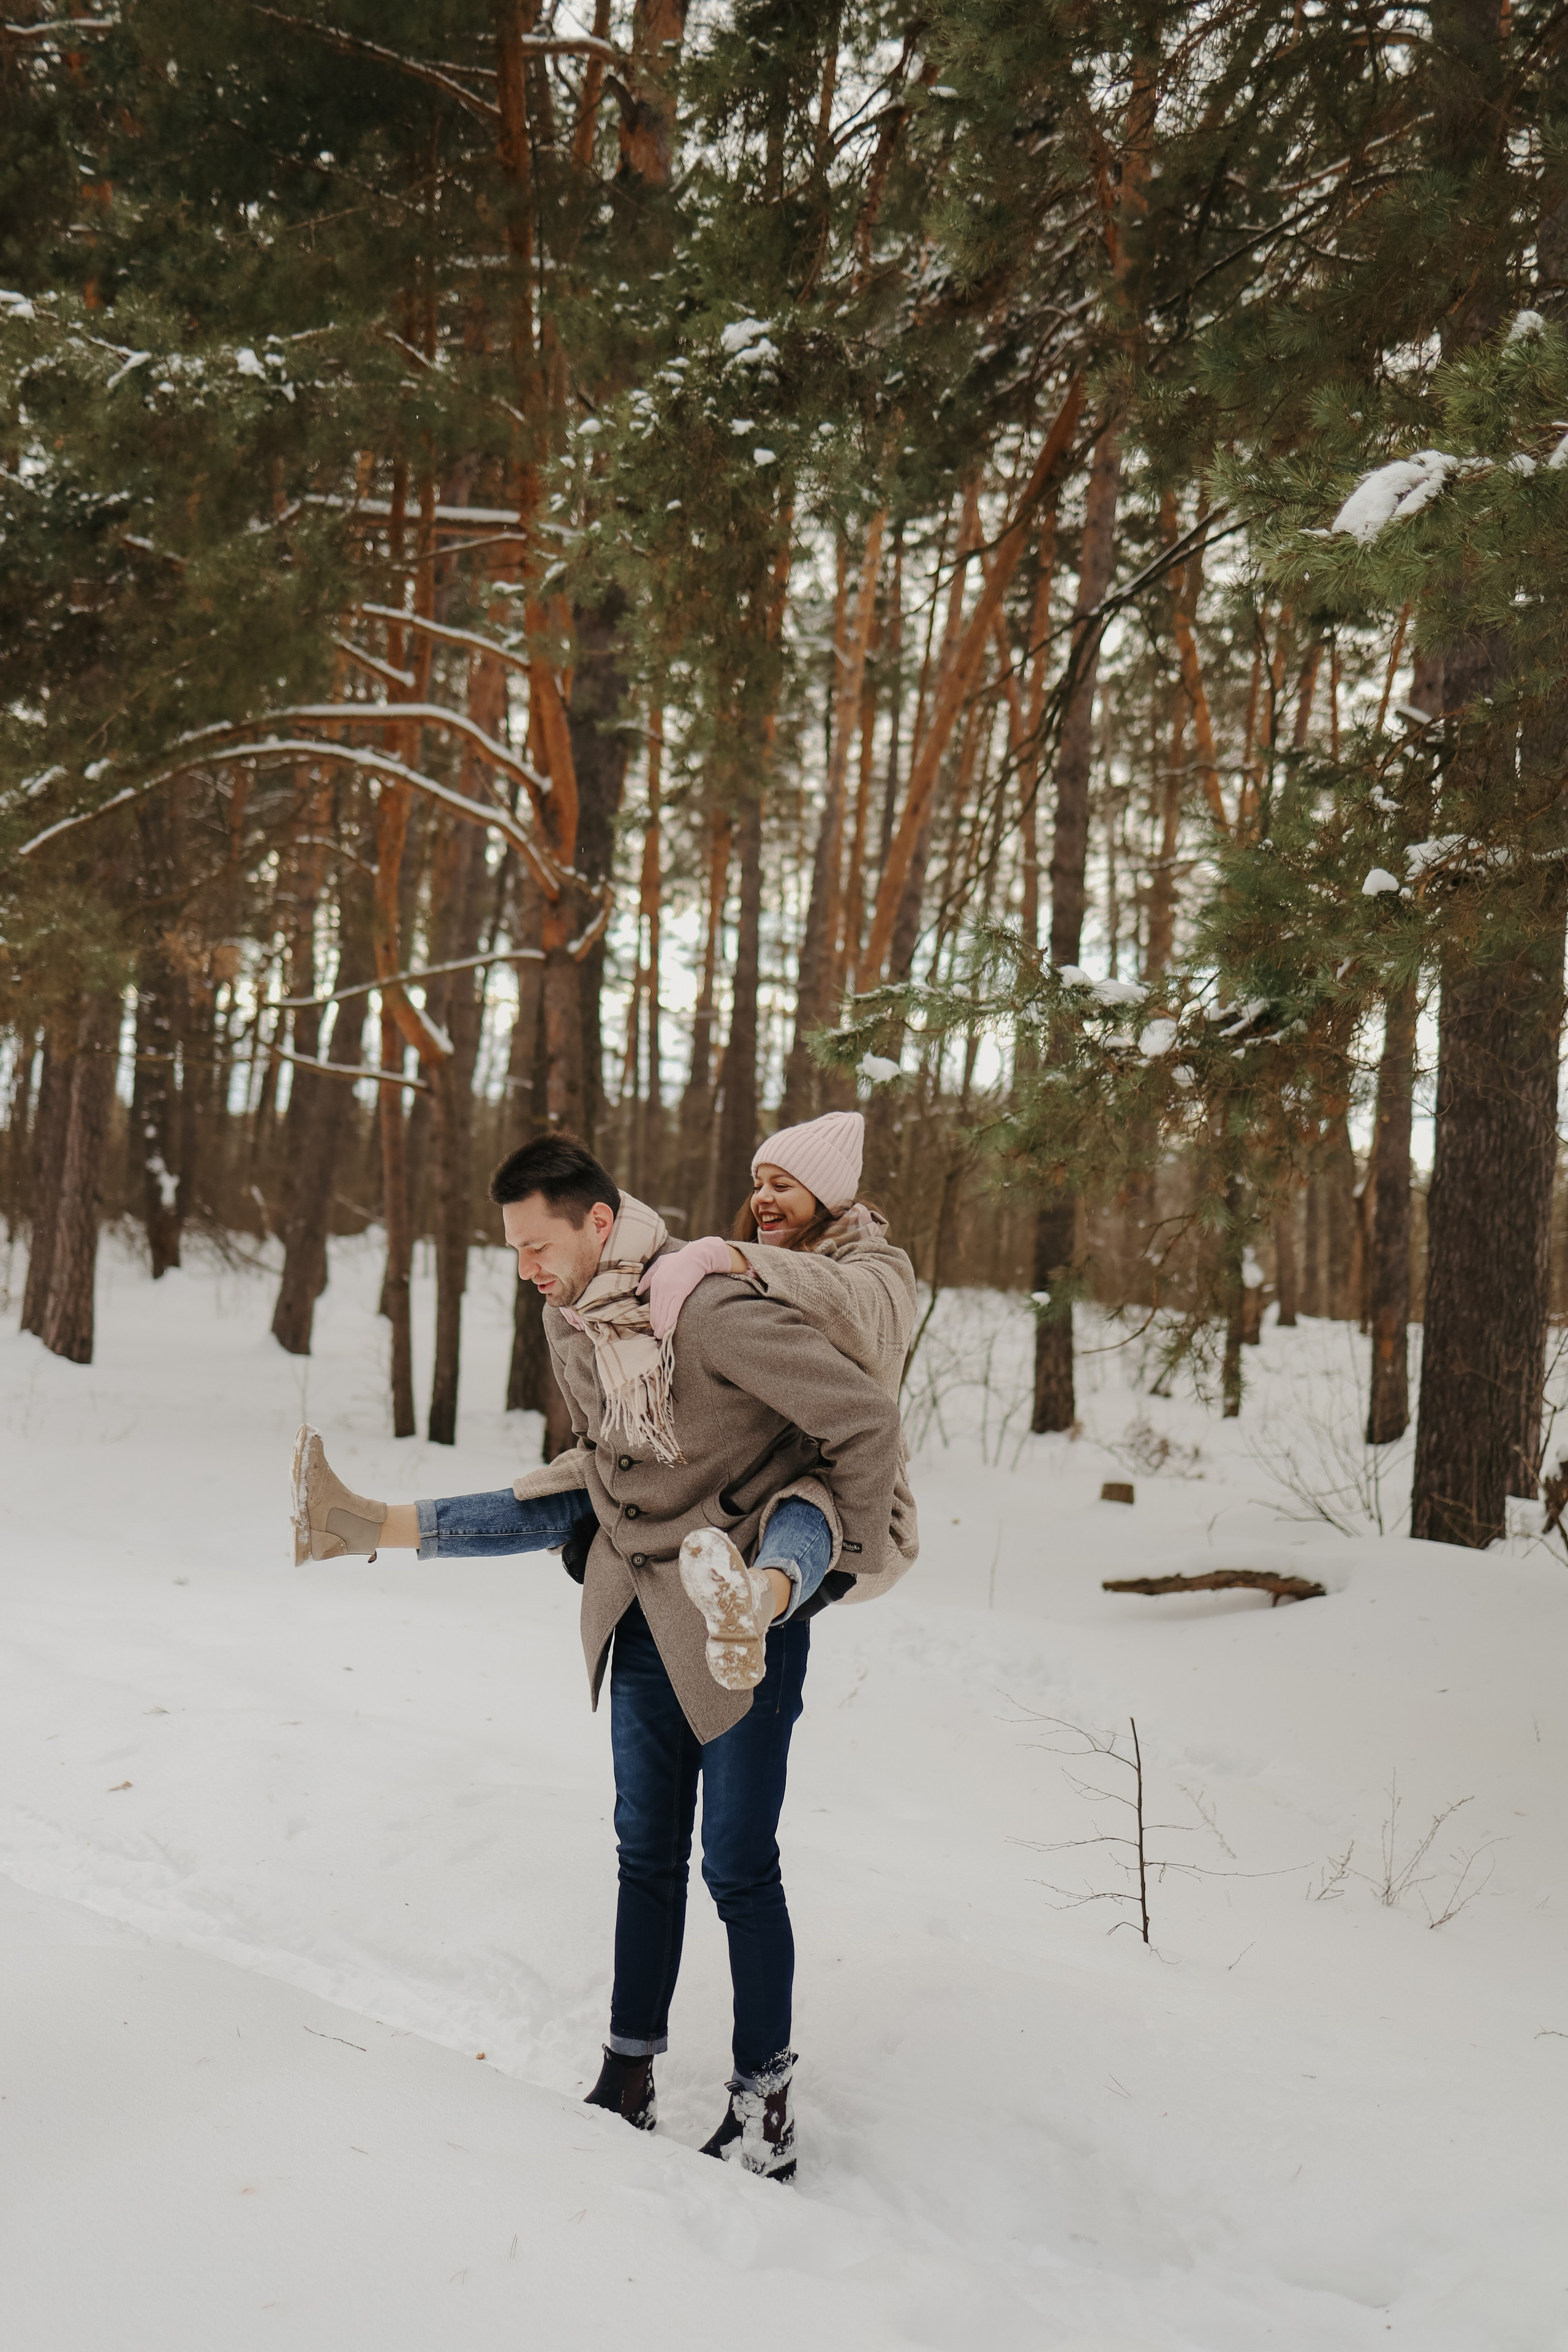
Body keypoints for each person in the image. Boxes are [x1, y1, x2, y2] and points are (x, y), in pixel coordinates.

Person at [292, 1117, 913, 2180]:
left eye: (539, 1247)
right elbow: (602, 1458)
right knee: (644, 1853)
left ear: (597, 1221)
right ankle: (627, 2072)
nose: (527, 1270)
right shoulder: (574, 1320)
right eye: (513, 1252)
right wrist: (600, 1529)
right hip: (639, 1611)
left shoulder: (709, 1309)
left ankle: (764, 2107)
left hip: (739, 1631)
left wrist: (831, 1568)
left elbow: (865, 1421)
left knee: (739, 1869)